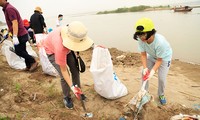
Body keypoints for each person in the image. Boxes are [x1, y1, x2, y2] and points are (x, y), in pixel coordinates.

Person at [43, 21, 94, 109]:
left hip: (67, 49)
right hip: (52, 51)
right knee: (65, 76)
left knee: (75, 69)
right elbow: (64, 70)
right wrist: (72, 87)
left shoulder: (73, 32)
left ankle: (78, 91)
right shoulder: (60, 47)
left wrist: (77, 53)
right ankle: (67, 97)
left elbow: (76, 44)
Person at [133, 17, 172, 105]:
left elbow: (159, 60)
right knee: (144, 74)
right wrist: (145, 68)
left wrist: (153, 71)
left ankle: (161, 94)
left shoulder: (160, 43)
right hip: (151, 55)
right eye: (139, 35)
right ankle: (144, 93)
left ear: (150, 33)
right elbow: (143, 54)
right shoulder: (140, 39)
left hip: (164, 58)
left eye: (143, 35)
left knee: (162, 78)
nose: (141, 37)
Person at [0, 0, 38, 72]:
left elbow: (15, 22)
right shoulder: (6, 9)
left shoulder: (9, 9)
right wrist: (8, 32)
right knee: (23, 50)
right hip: (20, 33)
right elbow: (11, 23)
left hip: (20, 34)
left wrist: (14, 36)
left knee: (18, 51)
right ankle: (28, 65)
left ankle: (33, 61)